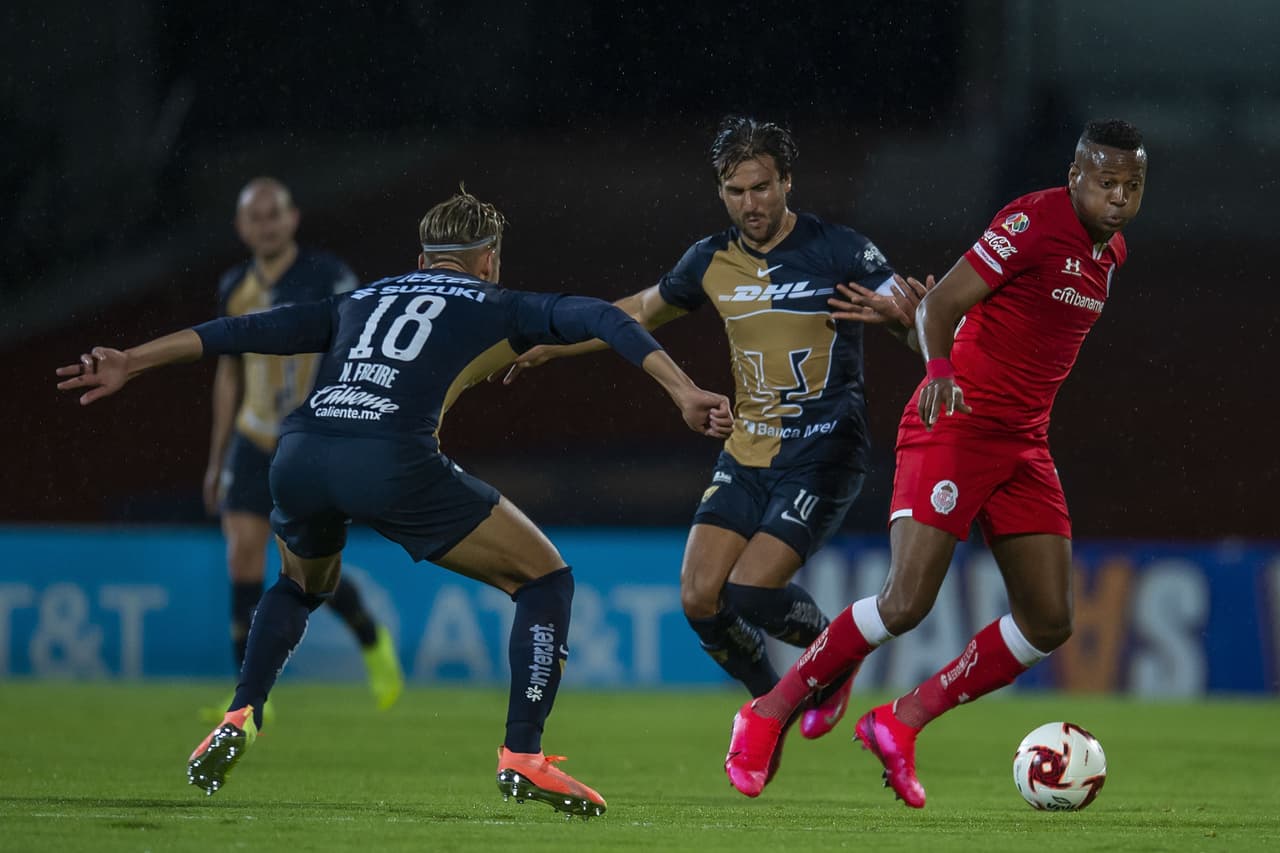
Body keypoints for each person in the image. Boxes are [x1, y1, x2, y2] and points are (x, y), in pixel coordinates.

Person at [57, 187, 733, 818]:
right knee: (545, 578)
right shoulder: (497, 302)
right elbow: (604, 317)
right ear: (489, 259)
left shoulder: (363, 296)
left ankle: (241, 711)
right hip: (389, 459)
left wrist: (132, 360)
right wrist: (681, 390)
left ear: (421, 258)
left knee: (299, 583)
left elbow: (241, 332)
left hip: (300, 453)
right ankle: (522, 753)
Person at [723, 119, 1149, 806]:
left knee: (1049, 621)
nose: (1119, 197)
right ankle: (767, 710)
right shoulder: (1032, 220)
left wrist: (930, 332)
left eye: (1131, 186)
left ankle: (901, 718)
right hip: (953, 423)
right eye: (1106, 182)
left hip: (1024, 443)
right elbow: (944, 305)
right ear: (1076, 178)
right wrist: (941, 366)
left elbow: (1007, 330)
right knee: (905, 602)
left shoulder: (1112, 253)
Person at [504, 116, 925, 739]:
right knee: (700, 597)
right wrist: (555, 341)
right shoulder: (709, 259)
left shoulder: (841, 249)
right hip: (747, 449)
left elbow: (914, 316)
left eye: (761, 187)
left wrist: (909, 323)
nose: (749, 204)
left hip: (824, 452)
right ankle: (769, 709)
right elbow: (637, 313)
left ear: (787, 182)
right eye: (735, 191)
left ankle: (834, 658)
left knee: (752, 593)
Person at [204, 177, 403, 719]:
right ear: (242, 227)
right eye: (255, 217)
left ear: (292, 219)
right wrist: (216, 459)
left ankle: (370, 638)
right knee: (242, 552)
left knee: (309, 568)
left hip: (308, 437)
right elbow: (229, 373)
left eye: (274, 215)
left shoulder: (328, 276)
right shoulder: (234, 285)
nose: (265, 225)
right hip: (252, 436)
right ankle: (244, 696)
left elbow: (360, 349)